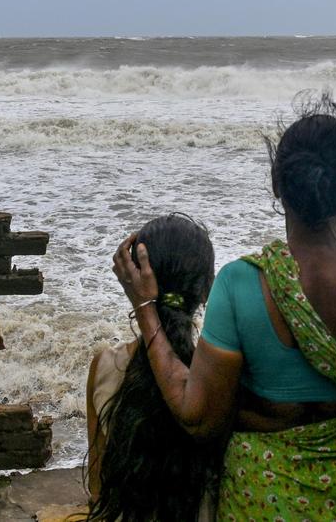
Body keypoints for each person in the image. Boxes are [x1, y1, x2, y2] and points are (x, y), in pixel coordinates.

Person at [113, 93, 336, 521]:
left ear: (277, 186)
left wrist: (145, 306)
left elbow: (198, 418)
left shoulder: (240, 284)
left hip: (266, 500)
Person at [86, 213, 220, 521]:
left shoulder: (105, 366)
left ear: (133, 282)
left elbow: (97, 488)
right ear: (206, 291)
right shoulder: (221, 379)